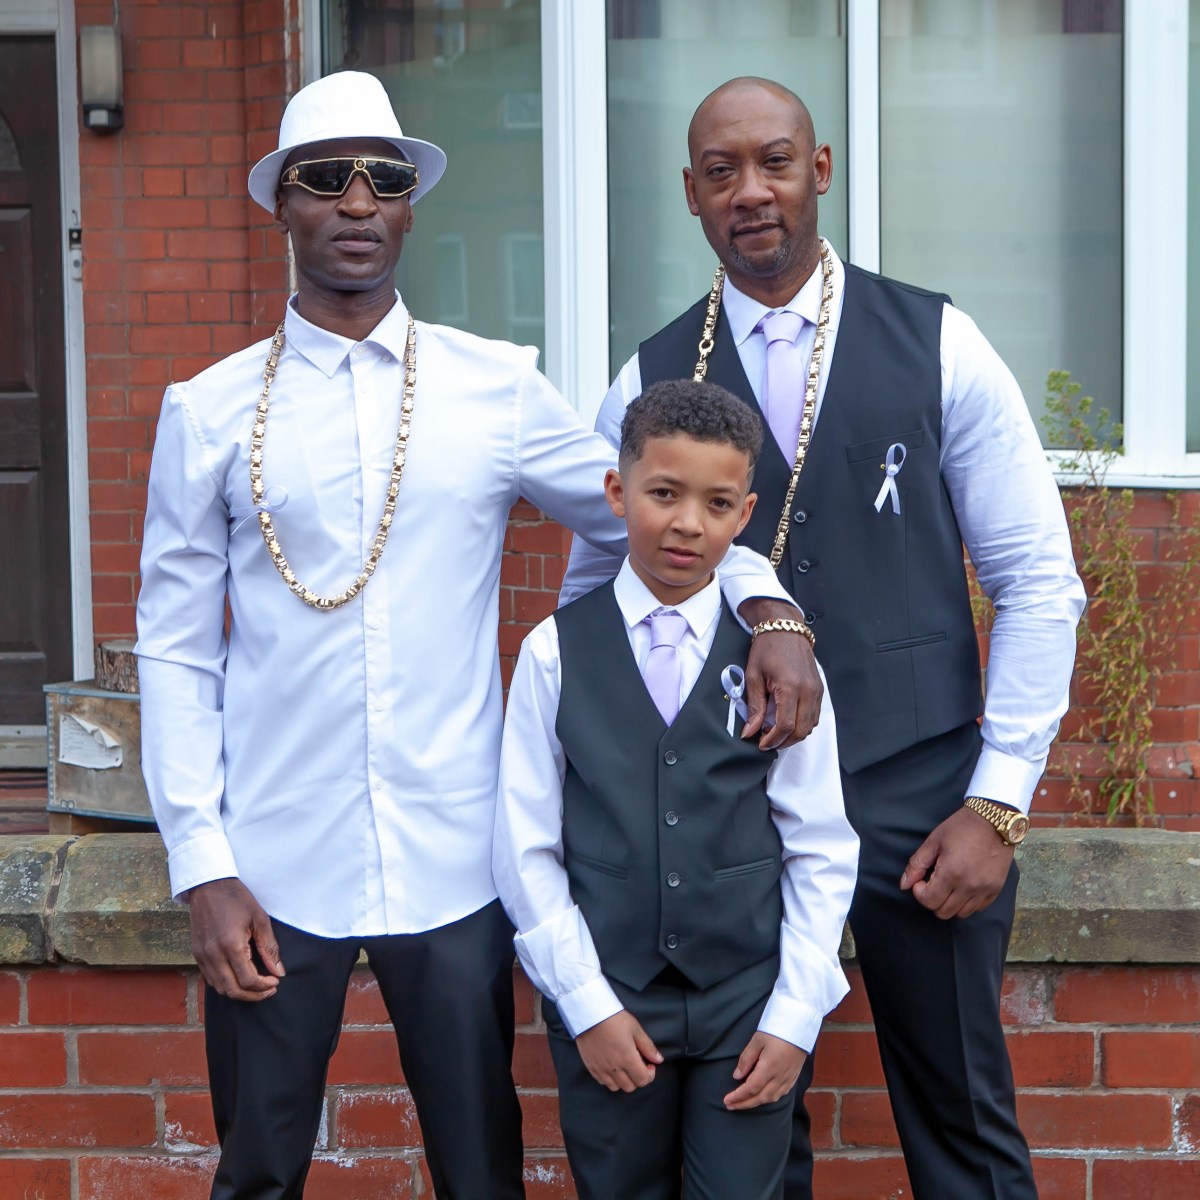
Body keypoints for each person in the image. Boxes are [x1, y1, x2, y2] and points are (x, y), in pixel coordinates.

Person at [134, 70, 812, 1200]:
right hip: (271, 858)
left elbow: (658, 513)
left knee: (481, 1170)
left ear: (410, 207)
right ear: (283, 204)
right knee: (256, 1171)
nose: (358, 201)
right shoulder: (208, 411)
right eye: (327, 179)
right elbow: (173, 648)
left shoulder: (493, 389)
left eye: (384, 178)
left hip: (455, 857)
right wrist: (201, 865)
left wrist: (769, 606)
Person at [561, 77, 1087, 1200]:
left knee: (963, 1120)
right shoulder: (647, 377)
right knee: (749, 1129)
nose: (751, 191)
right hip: (726, 806)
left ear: (822, 170)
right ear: (691, 194)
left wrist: (997, 803)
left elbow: (1039, 581)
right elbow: (598, 604)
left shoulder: (938, 342)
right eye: (722, 172)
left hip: (921, 796)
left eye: (775, 162)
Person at [495, 379, 859, 1200]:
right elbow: (524, 846)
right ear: (617, 492)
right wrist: (586, 1004)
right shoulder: (554, 651)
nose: (689, 523)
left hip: (748, 1004)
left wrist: (795, 1014)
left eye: (717, 503)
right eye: (663, 494)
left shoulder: (782, 665)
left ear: (745, 512)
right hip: (612, 995)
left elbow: (819, 842)